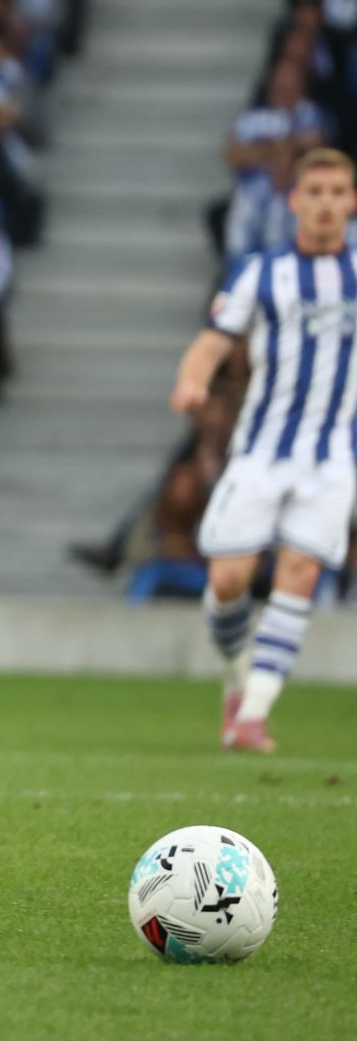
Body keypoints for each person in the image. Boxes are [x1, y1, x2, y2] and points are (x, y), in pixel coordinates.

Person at [171, 148, 357, 755]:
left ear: (351, 202)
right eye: (316, 192)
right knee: (229, 580)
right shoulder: (261, 273)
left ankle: (253, 715)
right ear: (294, 201)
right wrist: (192, 379)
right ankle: (235, 675)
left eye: (338, 193)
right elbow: (213, 339)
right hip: (260, 450)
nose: (327, 204)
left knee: (299, 574)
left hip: (332, 456)